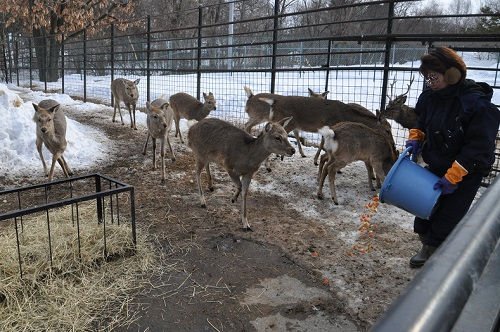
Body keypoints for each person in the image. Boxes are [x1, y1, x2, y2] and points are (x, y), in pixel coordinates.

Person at [405, 46, 500, 268]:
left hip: (467, 171)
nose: (429, 81)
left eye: (433, 76)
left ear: (452, 74)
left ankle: (434, 253)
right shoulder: (431, 97)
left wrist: (454, 175)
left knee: (448, 215)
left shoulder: (477, 106)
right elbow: (421, 121)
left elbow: (477, 147)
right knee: (424, 211)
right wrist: (416, 137)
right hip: (439, 162)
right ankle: (427, 242)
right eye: (426, 77)